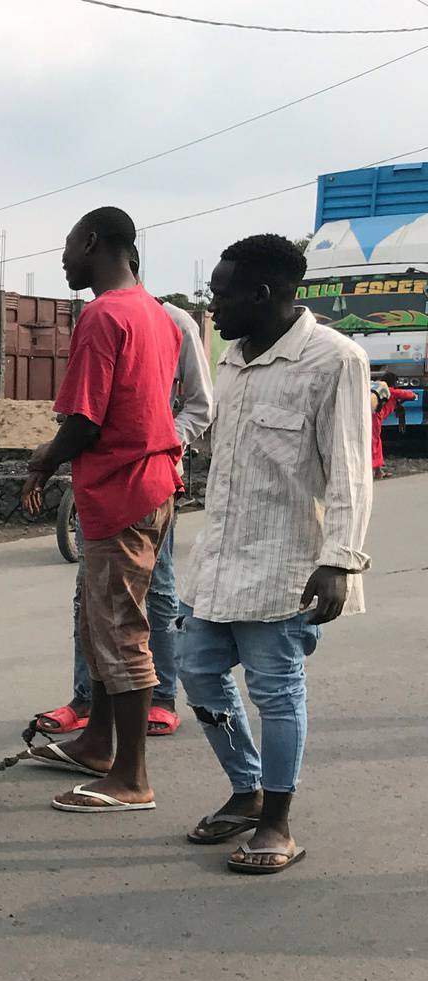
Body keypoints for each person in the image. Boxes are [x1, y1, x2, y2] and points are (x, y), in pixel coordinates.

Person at [178, 233, 372, 874]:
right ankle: (247, 787)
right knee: (198, 671)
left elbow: (350, 470)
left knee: (276, 692)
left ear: (261, 293)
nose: (213, 307)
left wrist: (340, 559)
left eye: (221, 293)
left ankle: (277, 823)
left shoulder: (333, 360)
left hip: (287, 564)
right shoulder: (230, 360)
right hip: (220, 560)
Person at [20, 208, 183, 814]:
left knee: (120, 634)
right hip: (150, 485)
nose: (62, 258)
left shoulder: (103, 315)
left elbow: (85, 422)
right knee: (103, 625)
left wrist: (41, 458)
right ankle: (96, 744)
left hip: (121, 490)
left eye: (66, 244)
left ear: (91, 241)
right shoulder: (156, 314)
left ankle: (131, 778)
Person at [31, 296, 211, 739]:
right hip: (102, 479)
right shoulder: (102, 319)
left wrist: (159, 442)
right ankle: (89, 702)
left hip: (147, 480)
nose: (65, 259)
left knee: (155, 594)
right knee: (91, 600)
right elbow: (88, 408)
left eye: (72, 248)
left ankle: (160, 700)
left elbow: (201, 406)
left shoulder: (171, 322)